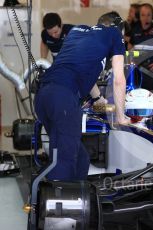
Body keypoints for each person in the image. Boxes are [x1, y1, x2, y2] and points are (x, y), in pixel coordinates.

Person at [35, 11, 129, 181]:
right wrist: (121, 117)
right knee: (65, 161)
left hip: (43, 96)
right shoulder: (114, 34)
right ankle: (59, 204)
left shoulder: (77, 31)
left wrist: (97, 98)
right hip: (62, 98)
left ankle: (73, 198)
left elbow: (81, 70)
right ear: (118, 29)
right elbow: (119, 80)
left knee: (80, 159)